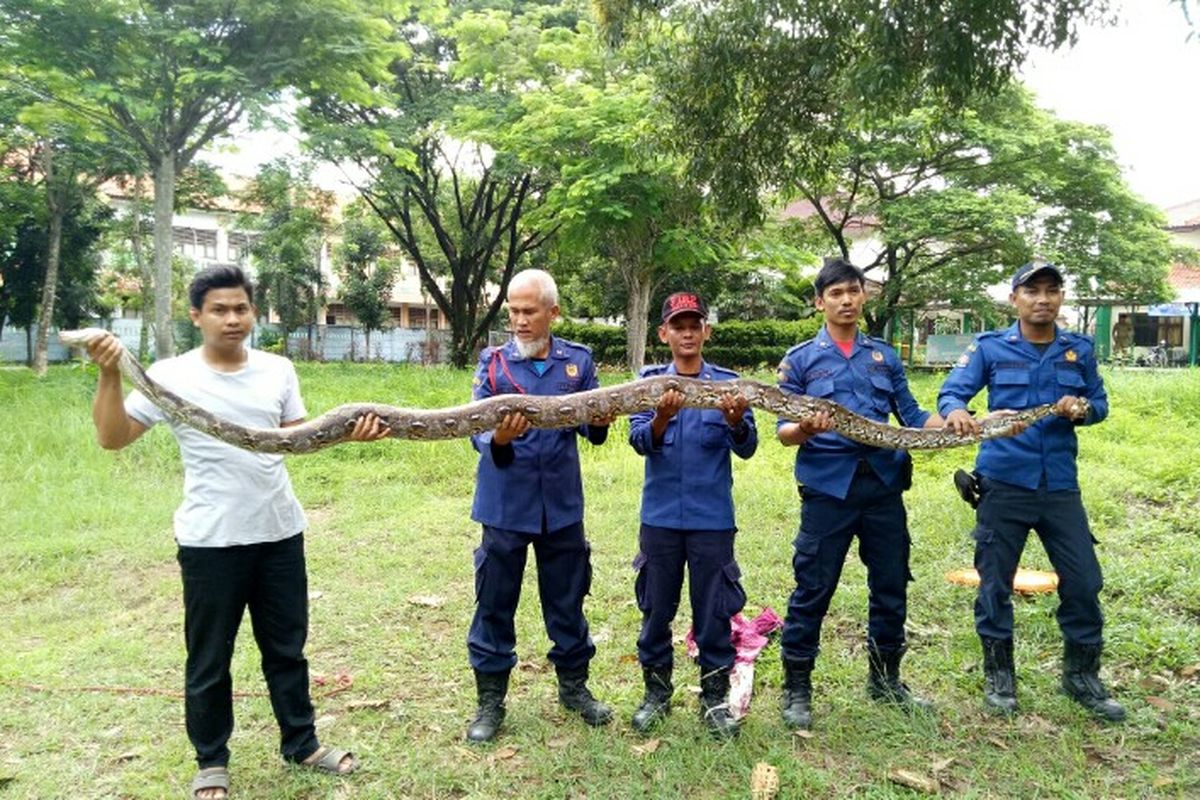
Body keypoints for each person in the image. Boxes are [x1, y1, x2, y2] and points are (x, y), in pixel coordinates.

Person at [85, 265, 387, 800]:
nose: (232, 319)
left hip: (279, 532)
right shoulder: (169, 375)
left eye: (241, 308)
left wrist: (350, 436)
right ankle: (211, 761)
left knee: (287, 649)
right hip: (210, 541)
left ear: (253, 312)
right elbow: (113, 437)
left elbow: (295, 439)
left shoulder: (278, 370)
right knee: (209, 657)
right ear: (196, 316)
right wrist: (111, 374)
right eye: (220, 310)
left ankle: (302, 743)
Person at [939, 262, 1125, 721]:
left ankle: (1081, 677)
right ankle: (1000, 678)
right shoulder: (989, 347)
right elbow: (951, 393)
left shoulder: (1078, 351)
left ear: (1061, 298)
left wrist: (1082, 408)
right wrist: (959, 411)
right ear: (1014, 299)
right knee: (995, 583)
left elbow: (1100, 403)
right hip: (1004, 483)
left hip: (1059, 486)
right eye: (1032, 291)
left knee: (1083, 580)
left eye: (1052, 291)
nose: (1042, 299)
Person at [775, 259, 944, 731]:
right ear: (819, 302)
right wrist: (805, 427)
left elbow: (909, 412)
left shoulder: (884, 357)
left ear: (864, 295)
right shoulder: (801, 359)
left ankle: (886, 679)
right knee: (813, 587)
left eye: (853, 291)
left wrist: (953, 423)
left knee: (890, 585)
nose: (846, 300)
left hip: (884, 485)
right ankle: (797, 686)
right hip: (829, 488)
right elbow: (783, 432)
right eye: (835, 294)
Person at [464, 269, 615, 743]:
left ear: (553, 312)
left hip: (561, 507)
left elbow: (594, 430)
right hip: (505, 503)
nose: (519, 320)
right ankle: (490, 700)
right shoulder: (492, 364)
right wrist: (499, 436)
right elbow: (475, 430)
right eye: (513, 310)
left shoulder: (578, 362)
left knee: (567, 600)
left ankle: (574, 688)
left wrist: (602, 417)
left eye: (530, 311)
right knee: (494, 602)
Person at [626, 291, 758, 739]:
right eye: (677, 325)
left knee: (713, 611)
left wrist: (737, 419)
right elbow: (640, 441)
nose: (686, 332)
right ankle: (656, 694)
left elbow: (748, 447)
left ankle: (714, 699)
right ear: (664, 333)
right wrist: (662, 417)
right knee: (656, 608)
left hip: (712, 518)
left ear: (706, 331)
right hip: (660, 517)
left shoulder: (728, 383)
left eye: (693, 324)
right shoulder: (647, 384)